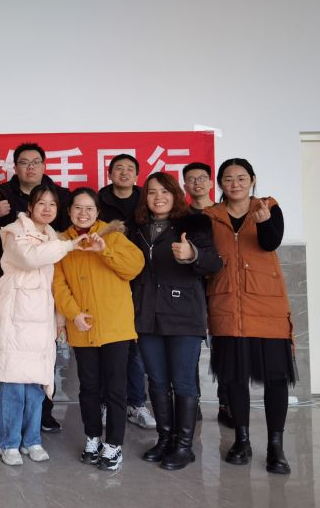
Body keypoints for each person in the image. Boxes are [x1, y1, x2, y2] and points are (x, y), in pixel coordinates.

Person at [204, 158, 296, 475]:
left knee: (276, 378)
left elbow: (271, 242)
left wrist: (266, 222)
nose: (235, 184)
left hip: (267, 306)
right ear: (220, 183)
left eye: (241, 178)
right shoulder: (210, 216)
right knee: (234, 376)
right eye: (228, 179)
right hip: (227, 304)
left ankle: (275, 446)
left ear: (253, 180)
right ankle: (241, 441)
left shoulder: (269, 207)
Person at [0, 186, 85, 466]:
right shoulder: (14, 231)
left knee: (36, 385)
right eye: (41, 203)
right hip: (15, 317)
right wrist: (68, 245)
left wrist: (59, 320)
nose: (47, 209)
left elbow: (55, 284)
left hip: (41, 319)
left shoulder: (53, 236)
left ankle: (31, 440)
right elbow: (30, 258)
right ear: (30, 207)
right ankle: (9, 443)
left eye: (52, 204)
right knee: (13, 384)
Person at [0, 142, 71, 433]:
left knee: (41, 352)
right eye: (24, 162)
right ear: (15, 167)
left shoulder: (61, 196)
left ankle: (43, 414)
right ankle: (0, 415)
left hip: (45, 285)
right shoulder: (2, 195)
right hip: (12, 287)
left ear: (44, 166)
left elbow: (66, 235)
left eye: (36, 162)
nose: (30, 167)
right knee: (8, 351)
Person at [130, 173, 222, 470]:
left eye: (165, 191)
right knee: (156, 381)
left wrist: (192, 253)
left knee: (182, 381)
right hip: (146, 314)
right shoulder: (137, 228)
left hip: (183, 314)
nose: (158, 197)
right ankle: (165, 439)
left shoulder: (194, 223)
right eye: (151, 192)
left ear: (175, 194)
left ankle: (184, 446)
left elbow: (213, 262)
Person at [53, 188, 145, 471]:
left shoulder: (113, 236)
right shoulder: (62, 243)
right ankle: (92, 437)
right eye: (77, 208)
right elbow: (58, 284)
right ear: (69, 211)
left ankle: (114, 444)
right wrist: (73, 314)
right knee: (89, 387)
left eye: (89, 208)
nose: (83, 213)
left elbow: (135, 267)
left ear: (97, 212)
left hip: (115, 326)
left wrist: (105, 251)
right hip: (83, 327)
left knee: (116, 388)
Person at [98, 153, 155, 431]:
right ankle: (106, 403)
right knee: (107, 346)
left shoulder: (148, 200)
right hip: (107, 278)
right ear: (109, 174)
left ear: (137, 175)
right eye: (118, 168)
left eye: (129, 169)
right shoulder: (98, 201)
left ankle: (136, 403)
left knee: (135, 347)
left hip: (141, 280)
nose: (124, 173)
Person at [182, 162, 233, 428]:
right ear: (185, 186)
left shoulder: (223, 213)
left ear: (212, 182)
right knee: (189, 348)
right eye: (191, 179)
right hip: (192, 288)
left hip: (222, 286)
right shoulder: (181, 216)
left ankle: (227, 403)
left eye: (202, 178)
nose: (197, 183)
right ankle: (193, 404)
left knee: (223, 345)